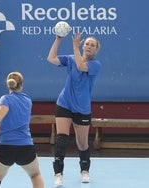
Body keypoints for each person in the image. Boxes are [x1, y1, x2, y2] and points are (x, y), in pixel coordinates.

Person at [47, 33, 101, 187]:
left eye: (92, 45)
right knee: (62, 139)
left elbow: (81, 66)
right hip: (64, 104)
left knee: (82, 144)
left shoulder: (96, 64)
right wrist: (58, 40)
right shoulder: (71, 58)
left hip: (82, 108)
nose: (89, 46)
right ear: (84, 46)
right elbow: (51, 58)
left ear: (96, 50)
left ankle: (84, 171)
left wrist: (75, 47)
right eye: (87, 44)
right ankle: (58, 173)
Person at [0, 72, 44, 188]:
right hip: (25, 147)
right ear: (22, 84)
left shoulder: (5, 99)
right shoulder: (28, 100)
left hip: (5, 148)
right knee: (35, 175)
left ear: (8, 85)